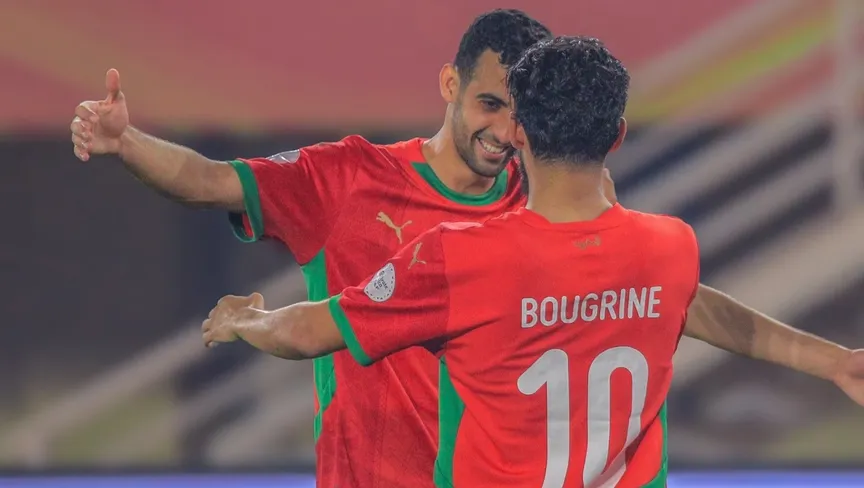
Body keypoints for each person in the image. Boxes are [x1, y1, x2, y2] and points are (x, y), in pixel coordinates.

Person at [70, 9, 864, 488]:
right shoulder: (350, 179)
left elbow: (668, 297)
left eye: (519, 113)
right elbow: (212, 182)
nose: (503, 130)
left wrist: (250, 322)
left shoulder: (538, 204)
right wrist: (126, 142)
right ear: (449, 85)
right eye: (489, 103)